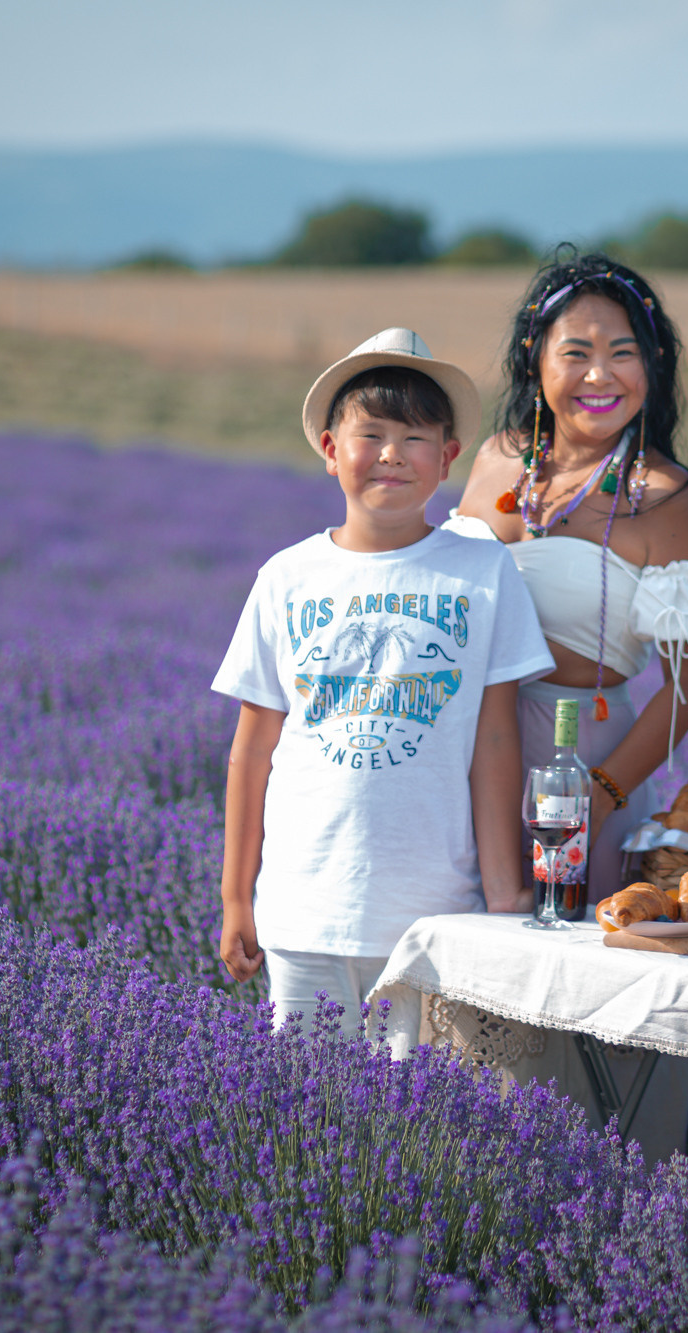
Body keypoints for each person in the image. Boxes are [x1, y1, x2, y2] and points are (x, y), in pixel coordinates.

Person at [212, 328, 555, 1022]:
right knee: (303, 1109)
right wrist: (236, 899)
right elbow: (252, 749)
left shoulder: (484, 573)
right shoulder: (287, 578)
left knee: (416, 1112)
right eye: (369, 434)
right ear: (331, 451)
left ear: (448, 459)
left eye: (415, 438)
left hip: (434, 913)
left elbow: (495, 741)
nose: (392, 455)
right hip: (304, 905)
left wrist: (502, 893)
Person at [448, 253, 688, 903]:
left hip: (581, 762)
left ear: (653, 365)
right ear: (536, 360)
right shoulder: (497, 459)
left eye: (623, 353)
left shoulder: (669, 500)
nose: (599, 375)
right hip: (460, 747)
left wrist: (602, 796)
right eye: (575, 352)